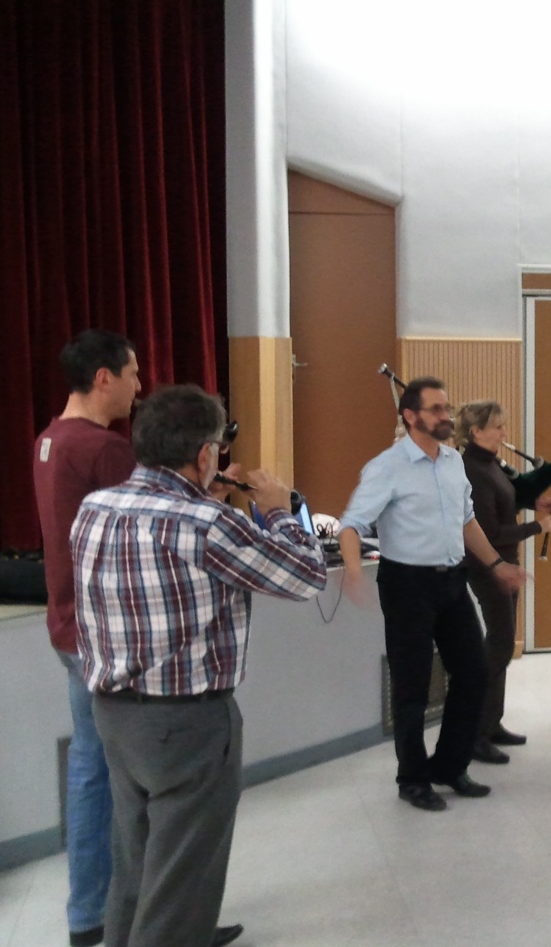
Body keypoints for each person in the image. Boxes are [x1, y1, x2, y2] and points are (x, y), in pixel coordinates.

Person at [72, 384, 327, 947]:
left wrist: (208, 493)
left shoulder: (95, 509)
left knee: (137, 864)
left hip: (114, 715)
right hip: (188, 724)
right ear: (207, 453)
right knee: (181, 887)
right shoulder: (207, 522)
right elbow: (307, 576)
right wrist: (279, 511)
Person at [337, 378, 527, 811]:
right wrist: (353, 571)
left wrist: (497, 565)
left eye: (447, 407)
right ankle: (412, 779)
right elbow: (351, 524)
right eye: (436, 409)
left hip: (452, 581)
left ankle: (449, 766)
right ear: (410, 416)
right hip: (407, 584)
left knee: (474, 672)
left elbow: (467, 522)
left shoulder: (454, 462)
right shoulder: (387, 466)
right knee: (413, 686)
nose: (446, 416)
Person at [34, 330, 145, 947]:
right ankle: (145, 915)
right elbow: (145, 535)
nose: (138, 387)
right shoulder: (105, 449)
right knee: (131, 778)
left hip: (68, 626)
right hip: (105, 633)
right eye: (132, 374)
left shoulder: (50, 439)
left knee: (90, 768)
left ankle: (89, 916)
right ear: (104, 377)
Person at [454, 401, 551, 764]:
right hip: (489, 566)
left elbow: (506, 505)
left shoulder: (492, 464)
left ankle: (491, 723)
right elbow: (491, 532)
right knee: (499, 646)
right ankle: (475, 734)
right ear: (475, 432)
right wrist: (538, 527)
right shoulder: (472, 470)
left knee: (501, 644)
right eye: (497, 427)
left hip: (505, 561)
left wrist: (537, 505)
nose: (504, 433)